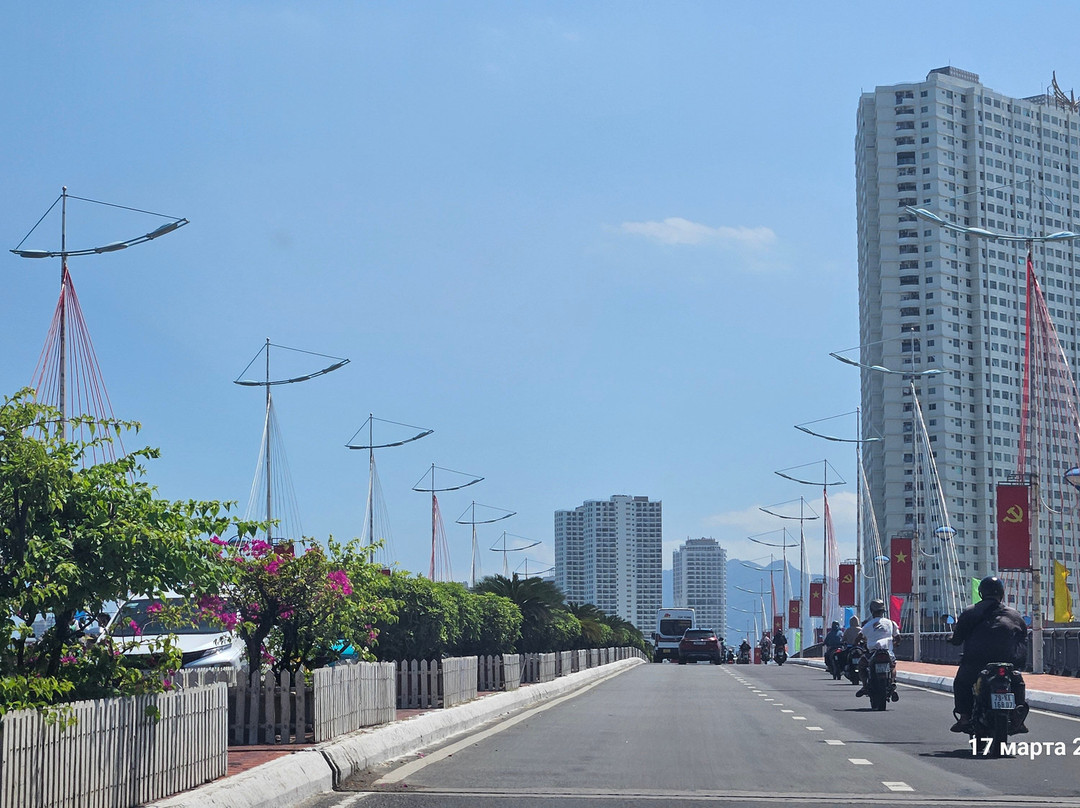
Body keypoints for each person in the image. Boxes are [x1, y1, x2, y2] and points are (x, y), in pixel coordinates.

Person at [947, 576, 1028, 733]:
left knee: (962, 683)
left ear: (981, 593)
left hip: (976, 663)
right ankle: (1018, 717)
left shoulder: (970, 612)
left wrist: (950, 639)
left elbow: (957, 639)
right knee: (1018, 682)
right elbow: (1023, 639)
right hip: (1008, 664)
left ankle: (964, 718)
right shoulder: (1014, 615)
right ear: (1002, 593)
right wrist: (1019, 663)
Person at [855, 599, 900, 699]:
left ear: (872, 611)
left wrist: (857, 643)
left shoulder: (868, 625)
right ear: (883, 610)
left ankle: (865, 686)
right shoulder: (891, 623)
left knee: (862, 665)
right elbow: (898, 638)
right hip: (887, 652)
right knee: (892, 665)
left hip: (872, 652)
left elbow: (858, 638)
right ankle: (893, 683)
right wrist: (896, 644)